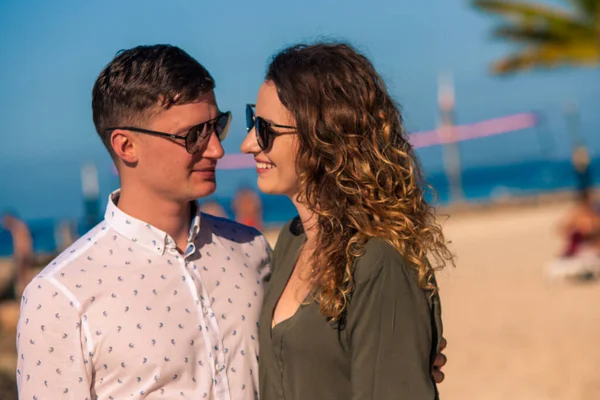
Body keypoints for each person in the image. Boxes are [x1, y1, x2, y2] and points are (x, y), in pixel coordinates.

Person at [16, 44, 272, 400]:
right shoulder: (60, 297)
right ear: (126, 146)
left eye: (217, 127)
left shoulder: (252, 250)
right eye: (193, 134)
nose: (215, 149)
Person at [241, 42, 454, 399]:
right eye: (252, 122)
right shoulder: (292, 242)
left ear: (322, 136)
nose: (249, 144)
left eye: (265, 130)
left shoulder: (378, 262)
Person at [1, 213, 34, 301]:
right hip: (23, 254)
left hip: (23, 255)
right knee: (24, 276)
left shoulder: (18, 227)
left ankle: (24, 296)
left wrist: (20, 256)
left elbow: (23, 244)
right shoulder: (19, 226)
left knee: (23, 276)